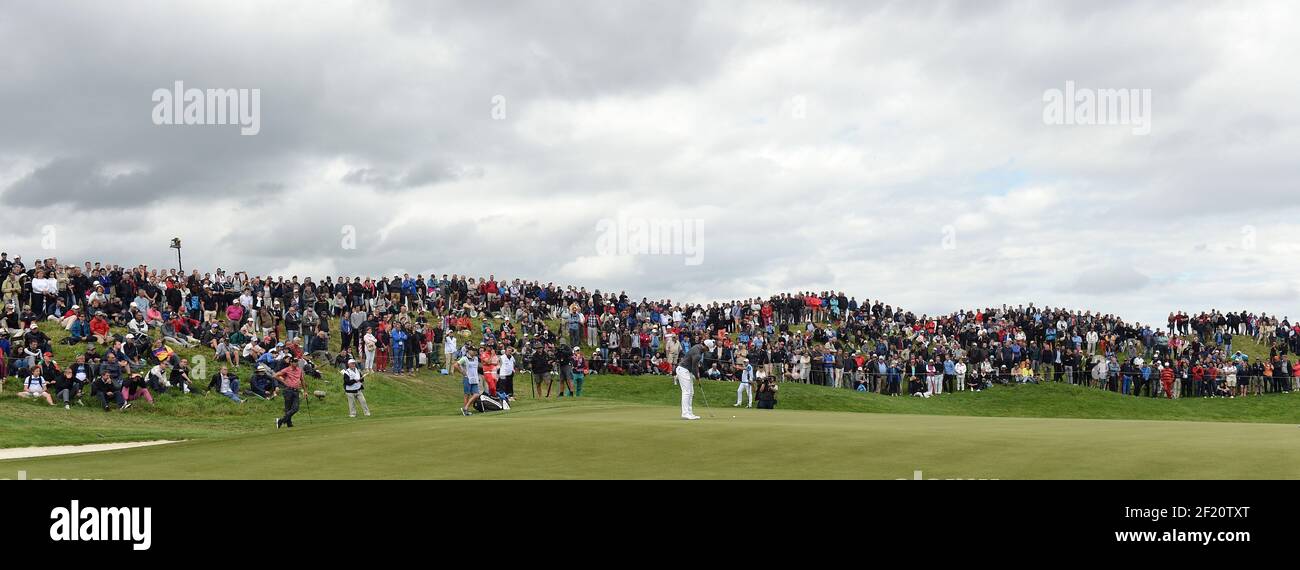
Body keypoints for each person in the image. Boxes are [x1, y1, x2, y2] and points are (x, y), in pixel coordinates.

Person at [675, 338, 711, 420]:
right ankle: (685, 413)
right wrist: (697, 377)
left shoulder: (698, 347)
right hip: (683, 370)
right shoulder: (697, 353)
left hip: (687, 371)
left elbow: (695, 366)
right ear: (705, 346)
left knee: (691, 392)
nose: (707, 351)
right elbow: (694, 367)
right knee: (686, 392)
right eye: (708, 349)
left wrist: (697, 375)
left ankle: (689, 412)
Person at [273, 358, 305, 428]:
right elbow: (275, 375)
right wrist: (284, 382)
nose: (296, 363)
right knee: (288, 408)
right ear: (291, 363)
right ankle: (289, 424)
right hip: (288, 390)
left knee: (295, 408)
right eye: (294, 362)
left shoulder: (299, 370)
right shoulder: (287, 369)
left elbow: (302, 380)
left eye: (297, 362)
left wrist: (305, 391)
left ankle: (280, 421)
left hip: (296, 391)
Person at [454, 348, 482, 415]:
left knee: (476, 394)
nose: (474, 352)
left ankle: (465, 408)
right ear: (469, 351)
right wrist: (462, 372)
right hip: (467, 378)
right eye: (473, 350)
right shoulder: (464, 358)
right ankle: (466, 410)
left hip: (475, 379)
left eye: (475, 351)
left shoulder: (476, 358)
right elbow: (455, 365)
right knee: (467, 395)